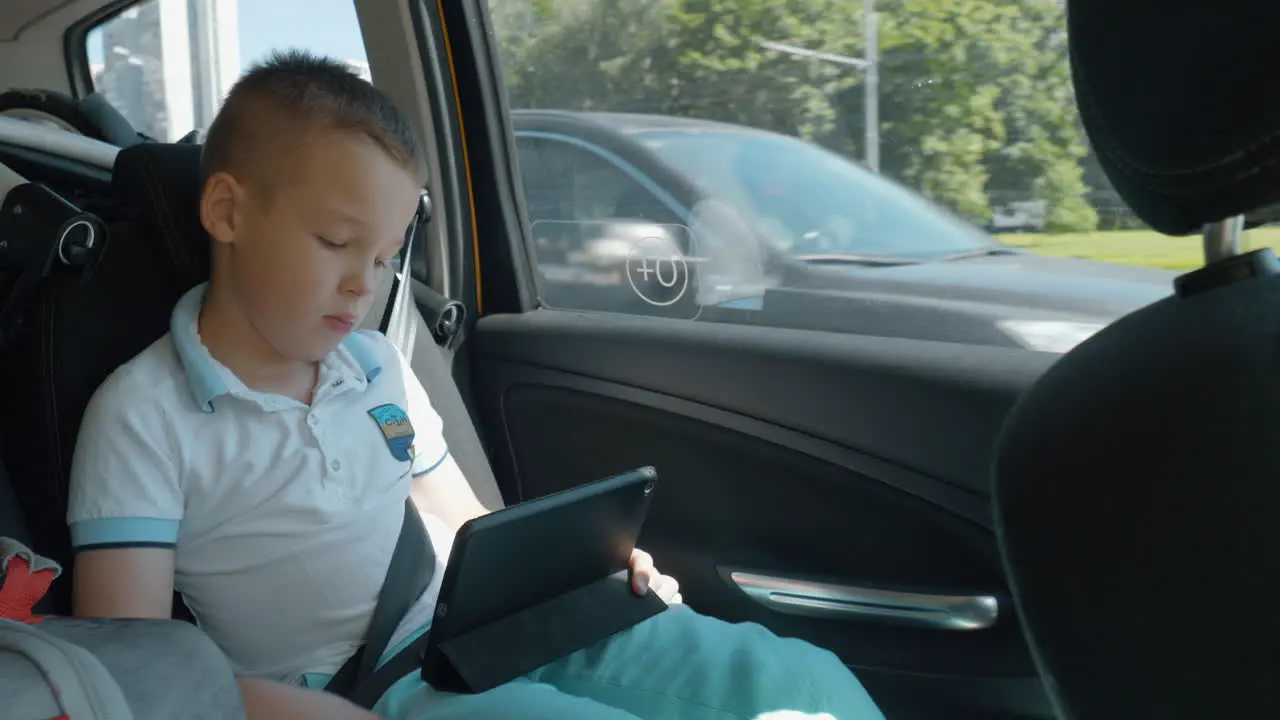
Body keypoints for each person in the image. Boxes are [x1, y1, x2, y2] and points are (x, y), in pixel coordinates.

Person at [65, 50, 885, 720]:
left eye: (385, 258)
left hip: (491, 628)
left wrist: (574, 572)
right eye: (335, 242)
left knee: (801, 684)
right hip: (363, 694)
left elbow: (464, 527)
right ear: (227, 211)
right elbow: (141, 672)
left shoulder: (376, 364)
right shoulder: (143, 417)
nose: (366, 284)